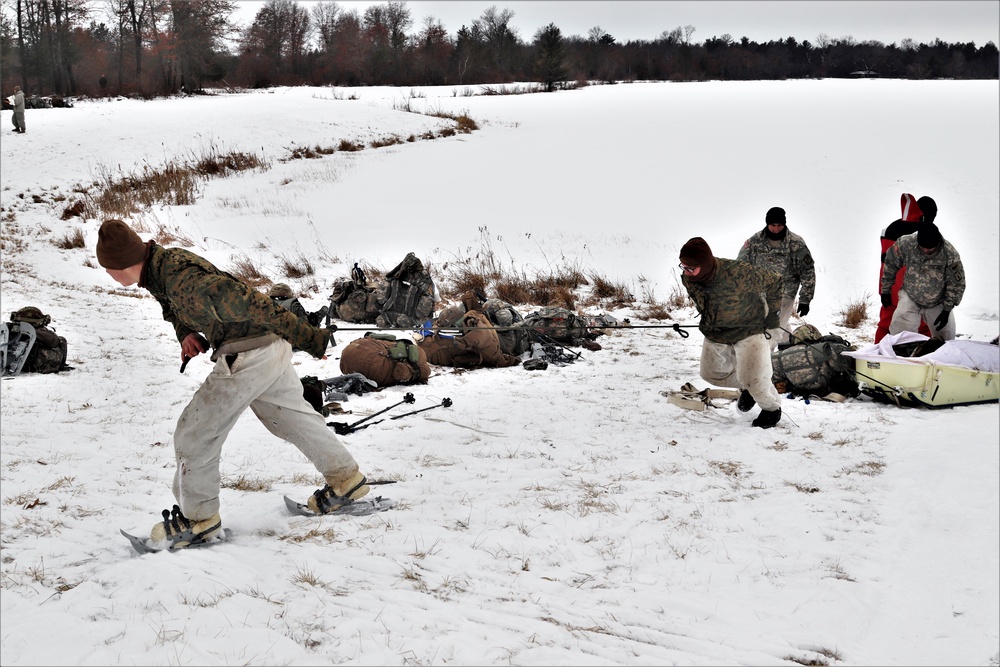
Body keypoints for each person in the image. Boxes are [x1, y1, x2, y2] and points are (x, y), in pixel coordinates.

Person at [95, 219, 371, 548]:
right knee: (290, 418)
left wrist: (310, 337)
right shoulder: (161, 267)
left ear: (121, 264)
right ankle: (345, 479)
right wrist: (185, 332)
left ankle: (200, 521)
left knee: (194, 433)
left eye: (109, 268)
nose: (108, 274)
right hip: (269, 348)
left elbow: (254, 302)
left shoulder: (182, 279)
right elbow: (171, 305)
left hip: (250, 354)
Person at [679, 237, 784, 428]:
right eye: (683, 267)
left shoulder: (739, 273)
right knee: (710, 373)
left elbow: (775, 282)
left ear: (705, 264)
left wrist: (773, 318)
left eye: (690, 268)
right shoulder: (689, 278)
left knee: (754, 379)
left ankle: (771, 409)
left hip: (749, 328)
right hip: (717, 331)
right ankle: (747, 386)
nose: (686, 272)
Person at [736, 206, 815, 347]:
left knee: (773, 328)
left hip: (785, 293)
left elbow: (808, 271)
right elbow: (741, 266)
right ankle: (786, 345)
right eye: (773, 225)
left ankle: (767, 362)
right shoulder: (755, 241)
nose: (776, 229)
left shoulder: (796, 243)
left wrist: (805, 299)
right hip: (760, 292)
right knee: (774, 324)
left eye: (780, 225)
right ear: (767, 224)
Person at [880, 221, 965, 341]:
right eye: (922, 247)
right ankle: (900, 355)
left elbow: (956, 284)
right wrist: (886, 290)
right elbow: (890, 264)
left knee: (946, 340)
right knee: (898, 337)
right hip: (911, 297)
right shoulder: (906, 244)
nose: (925, 251)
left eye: (929, 249)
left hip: (938, 301)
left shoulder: (949, 253)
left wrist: (947, 310)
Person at [876, 193, 932, 342]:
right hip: (912, 291)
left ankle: (876, 356)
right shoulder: (922, 233)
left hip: (887, 288)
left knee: (885, 325)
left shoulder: (889, 229)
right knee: (922, 328)